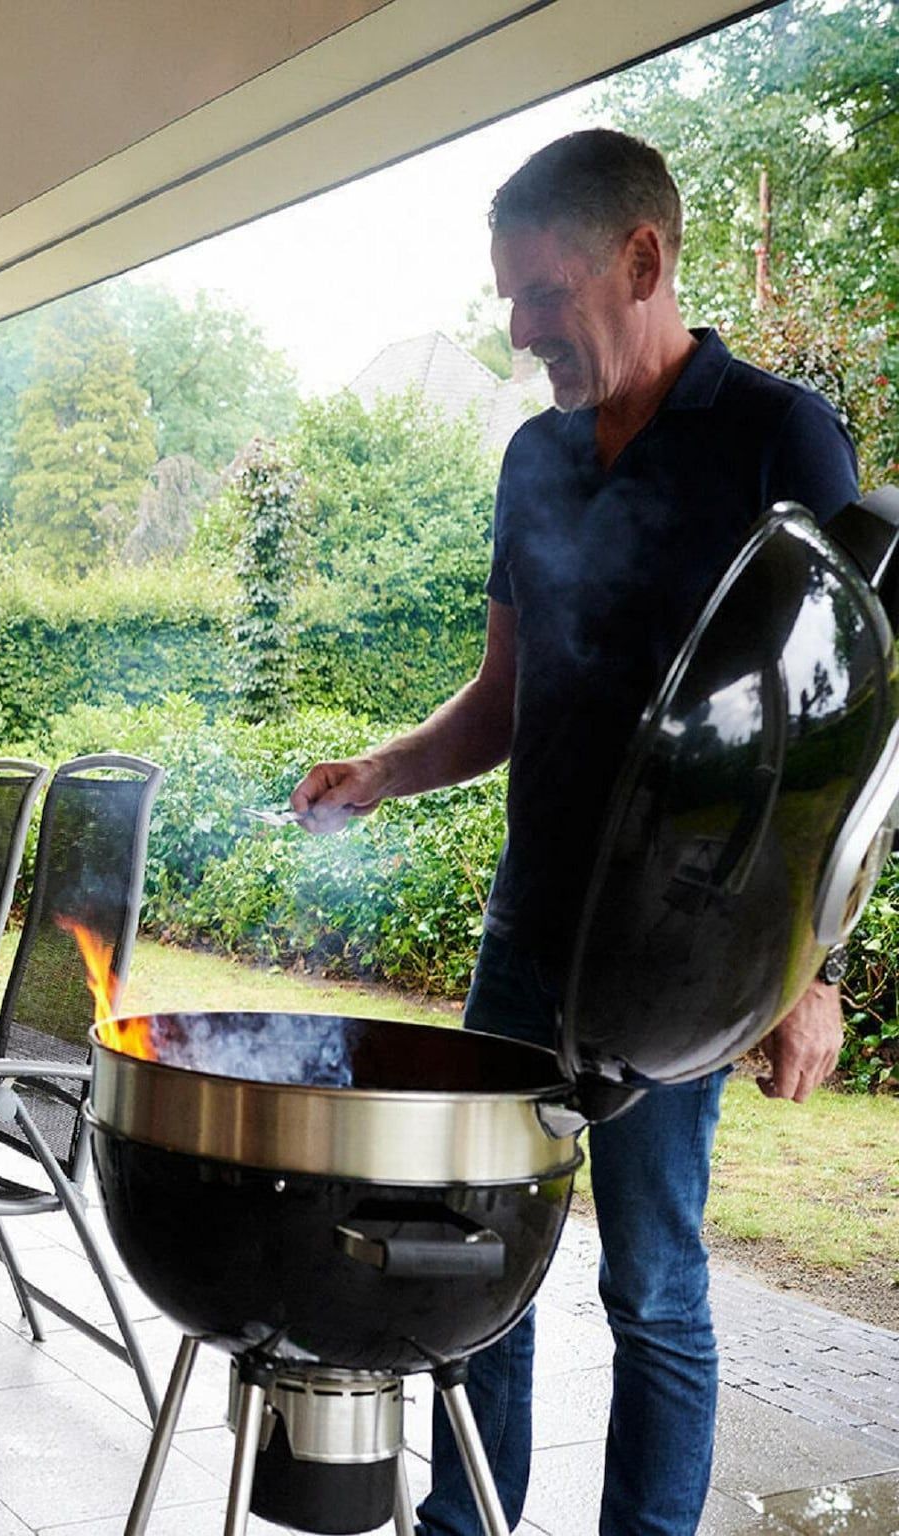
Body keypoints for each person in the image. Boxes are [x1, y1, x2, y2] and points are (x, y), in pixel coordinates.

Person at [291, 129, 857, 1535]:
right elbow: (503, 699)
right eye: (506, 298)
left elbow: (845, 730)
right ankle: (464, 1522)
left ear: (643, 259)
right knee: (470, 1256)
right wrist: (381, 770)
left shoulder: (780, 437)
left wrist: (814, 968)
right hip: (525, 934)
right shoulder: (536, 456)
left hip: (683, 964)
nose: (517, 327)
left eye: (540, 293)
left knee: (649, 1280)